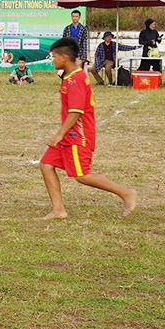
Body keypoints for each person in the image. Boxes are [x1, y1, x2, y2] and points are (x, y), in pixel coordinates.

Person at [40, 38, 137, 220]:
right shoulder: (70, 76)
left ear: (64, 57)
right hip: (70, 135)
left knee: (82, 175)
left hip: (78, 136)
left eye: (54, 57)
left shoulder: (76, 79)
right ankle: (58, 210)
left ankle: (125, 193)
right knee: (46, 164)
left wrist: (59, 134)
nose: (52, 60)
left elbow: (76, 112)